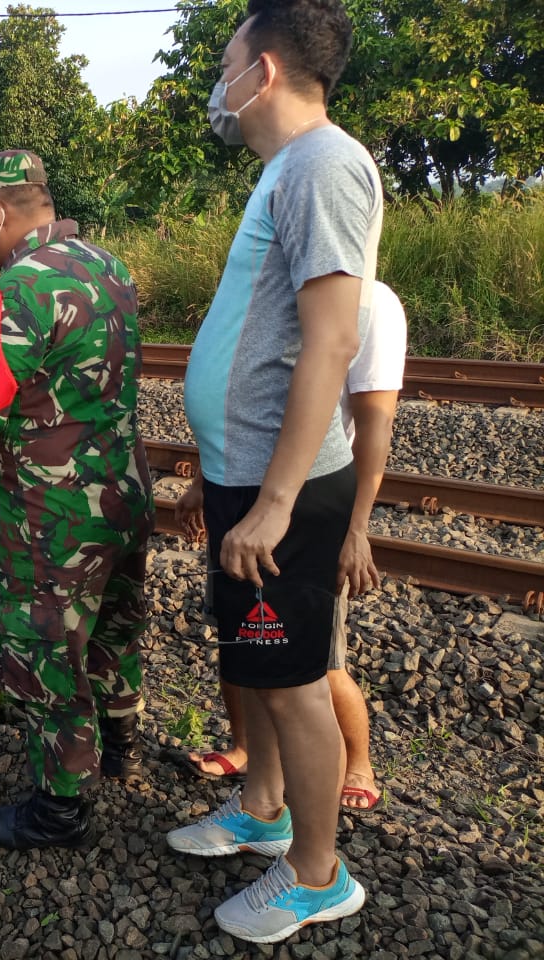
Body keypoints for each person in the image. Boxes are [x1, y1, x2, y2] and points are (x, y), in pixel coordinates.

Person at [165, 0, 383, 944]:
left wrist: (278, 502)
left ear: (263, 72)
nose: (217, 87)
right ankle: (262, 808)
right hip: (243, 474)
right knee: (252, 658)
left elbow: (332, 343)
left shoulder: (326, 164)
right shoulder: (287, 171)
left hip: (279, 488)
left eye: (225, 66)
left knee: (295, 678)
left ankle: (316, 874)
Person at [0, 150, 153, 849]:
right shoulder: (111, 266)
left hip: (49, 513)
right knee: (113, 626)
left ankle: (59, 806)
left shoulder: (13, 291)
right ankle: (119, 747)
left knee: (47, 649)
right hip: (123, 491)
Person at [176, 281, 406, 814]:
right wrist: (202, 483)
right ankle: (248, 753)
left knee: (315, 661)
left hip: (304, 508)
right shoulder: (271, 290)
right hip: (237, 497)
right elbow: (238, 397)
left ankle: (357, 765)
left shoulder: (371, 303)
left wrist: (355, 529)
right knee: (241, 640)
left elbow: (375, 423)